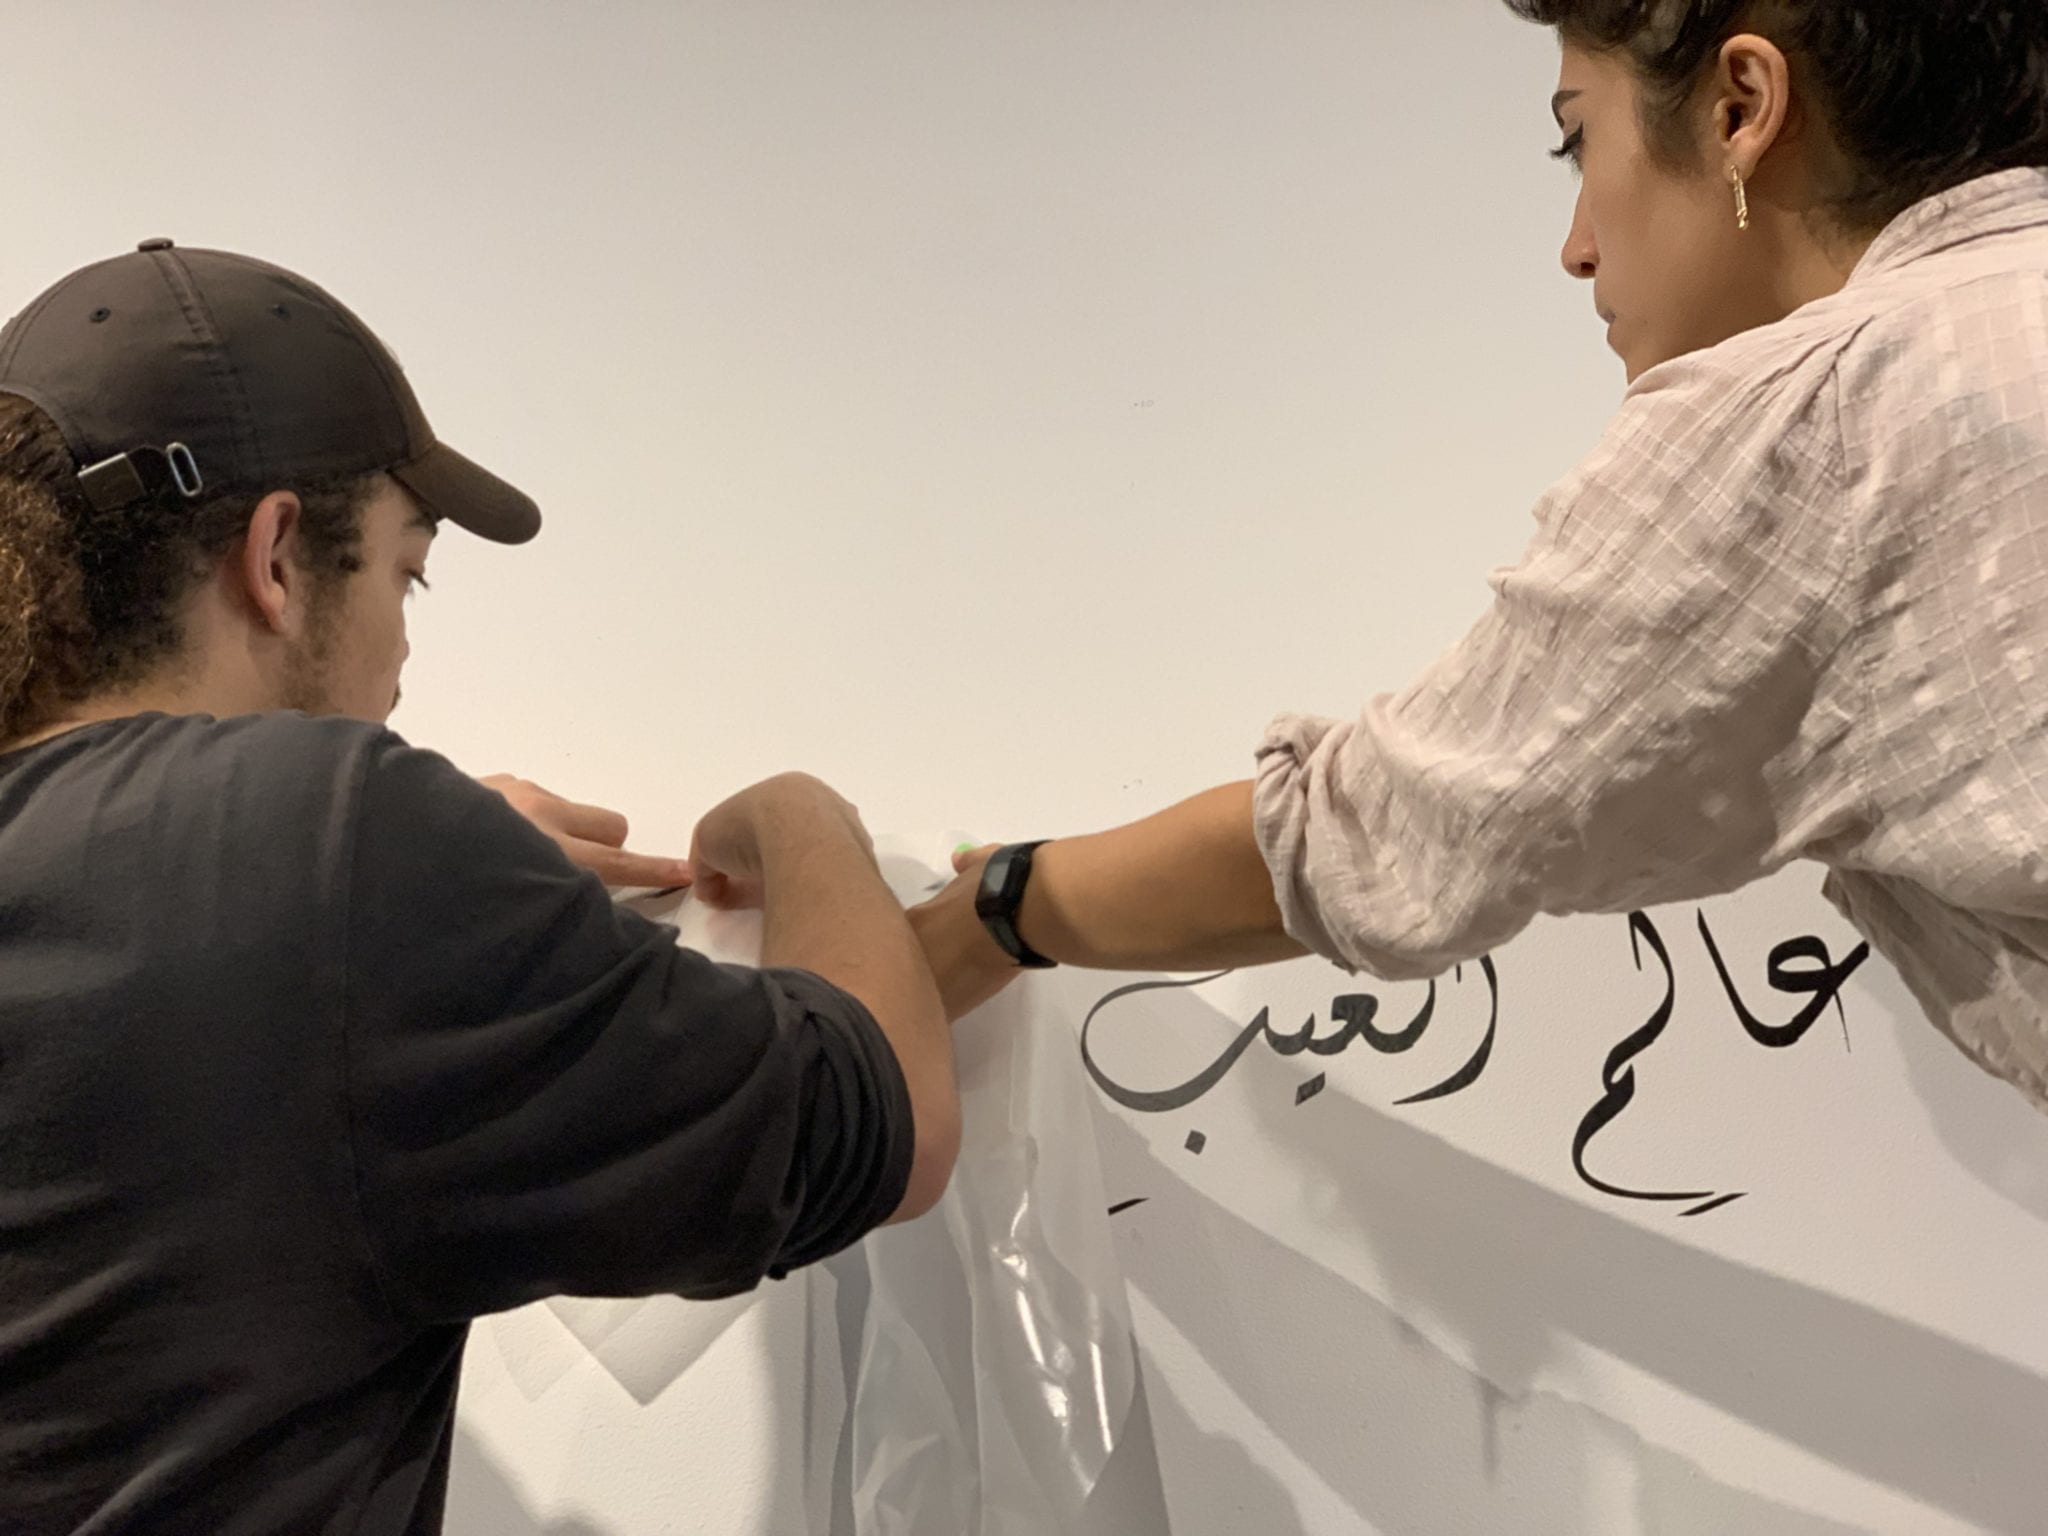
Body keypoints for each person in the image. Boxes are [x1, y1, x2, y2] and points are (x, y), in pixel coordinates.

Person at [915, 0, 2048, 1118]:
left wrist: (991, 910)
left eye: (1577, 142)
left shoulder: (1822, 410)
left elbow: (1381, 838)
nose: (1575, 248)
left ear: (1739, 106)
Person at [0, 242, 958, 1533]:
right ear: (277, 555)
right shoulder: (333, 836)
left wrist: (435, 876)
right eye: (408, 572)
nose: (404, 650)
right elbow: (879, 1122)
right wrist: (805, 817)